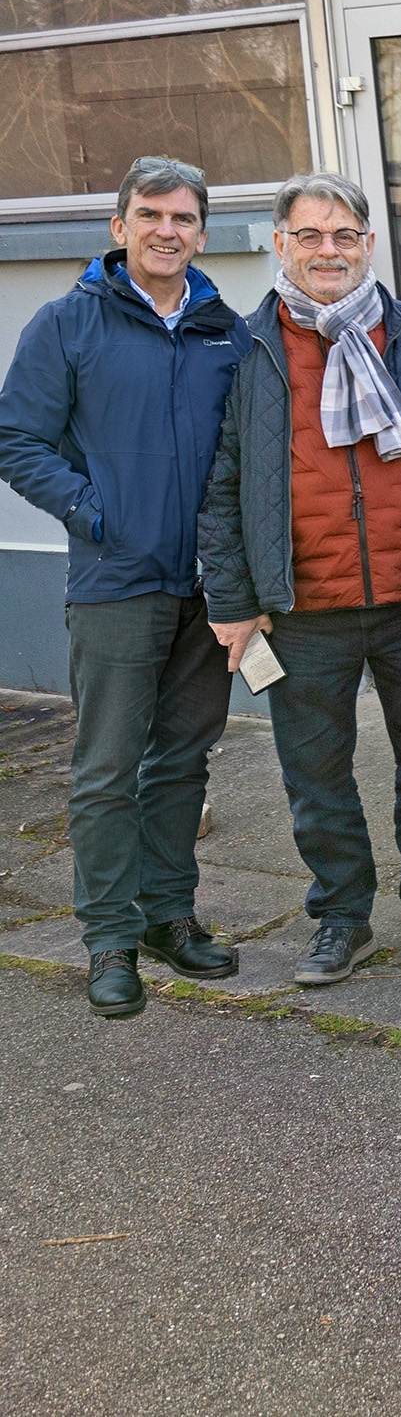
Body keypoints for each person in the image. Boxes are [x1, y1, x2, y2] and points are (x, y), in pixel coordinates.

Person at [195, 171, 401, 985]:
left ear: (367, 243)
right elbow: (219, 487)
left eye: (343, 235)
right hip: (300, 608)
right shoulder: (243, 349)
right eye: (309, 235)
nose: (327, 250)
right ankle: (341, 916)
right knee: (315, 773)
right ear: (280, 244)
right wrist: (233, 600)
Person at [0, 158, 242, 1016]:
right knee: (107, 767)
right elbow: (17, 438)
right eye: (150, 215)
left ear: (202, 234)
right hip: (116, 579)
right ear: (119, 227)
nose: (166, 230)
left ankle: (168, 916)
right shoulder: (68, 322)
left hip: (209, 585)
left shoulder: (226, 331)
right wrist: (90, 512)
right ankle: (109, 937)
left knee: (182, 760)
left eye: (183, 218)